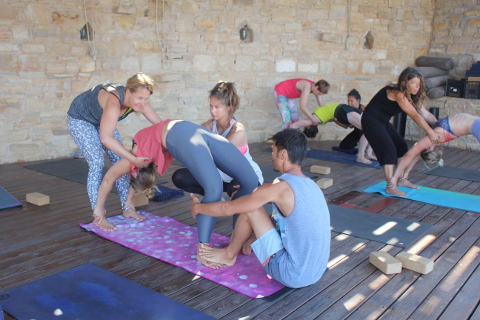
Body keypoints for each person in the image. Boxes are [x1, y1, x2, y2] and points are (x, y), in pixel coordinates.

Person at [91, 119, 259, 267]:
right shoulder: (143, 163)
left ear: (134, 173)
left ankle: (237, 240)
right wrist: (128, 204)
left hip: (185, 132)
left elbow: (108, 179)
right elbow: (137, 178)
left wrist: (99, 208)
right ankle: (204, 250)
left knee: (250, 181)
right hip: (187, 130)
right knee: (215, 188)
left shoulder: (134, 159)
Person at [190, 129, 331, 289]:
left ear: (283, 154)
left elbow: (228, 209)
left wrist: (199, 208)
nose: (272, 155)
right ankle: (246, 244)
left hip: (290, 273)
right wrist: (251, 238)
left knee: (250, 208)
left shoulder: (280, 187)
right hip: (315, 272)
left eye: (274, 150)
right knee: (257, 208)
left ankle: (228, 255)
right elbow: (285, 219)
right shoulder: (310, 185)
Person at [67, 73, 162, 229]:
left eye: (146, 99)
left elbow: (160, 125)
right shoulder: (113, 101)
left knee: (120, 163)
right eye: (139, 98)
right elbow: (106, 138)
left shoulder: (140, 102)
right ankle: (98, 215)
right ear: (128, 92)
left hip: (102, 120)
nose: (143, 103)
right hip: (81, 119)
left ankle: (128, 208)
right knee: (97, 162)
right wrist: (133, 159)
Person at [172, 81, 263, 198]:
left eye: (217, 107)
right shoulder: (207, 126)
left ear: (229, 107)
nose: (212, 111)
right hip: (220, 175)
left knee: (235, 190)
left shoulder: (237, 130)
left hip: (244, 175)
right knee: (180, 177)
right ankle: (216, 196)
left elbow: (217, 156)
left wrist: (192, 162)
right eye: (211, 106)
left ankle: (226, 202)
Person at [360, 67, 441, 191]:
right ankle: (390, 186)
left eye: (419, 83)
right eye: (414, 83)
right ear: (404, 83)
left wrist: (441, 125)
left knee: (401, 146)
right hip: (371, 120)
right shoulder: (397, 93)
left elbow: (425, 114)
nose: (417, 86)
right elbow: (414, 115)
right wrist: (430, 132)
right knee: (388, 149)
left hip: (382, 121)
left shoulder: (412, 96)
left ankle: (401, 180)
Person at [387, 113, 480, 197]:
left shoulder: (437, 137)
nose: (427, 147)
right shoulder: (438, 136)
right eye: (427, 148)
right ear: (432, 149)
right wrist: (404, 175)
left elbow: (409, 155)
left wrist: (395, 177)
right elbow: (417, 153)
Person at [290, 103, 375, 164]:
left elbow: (295, 125)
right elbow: (297, 124)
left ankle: (367, 154)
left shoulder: (315, 119)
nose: (306, 125)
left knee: (371, 129)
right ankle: (363, 156)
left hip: (342, 109)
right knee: (370, 129)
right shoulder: (317, 119)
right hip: (343, 109)